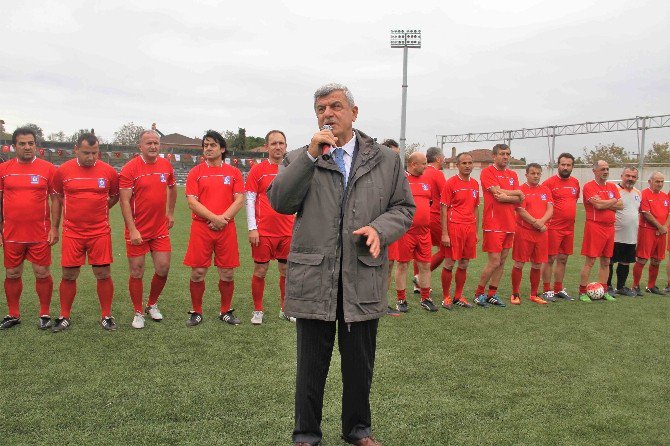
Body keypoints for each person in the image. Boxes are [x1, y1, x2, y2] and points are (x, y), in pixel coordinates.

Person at [268, 83, 414, 446]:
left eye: (335, 106)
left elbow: (403, 208)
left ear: (354, 112)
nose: (327, 113)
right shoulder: (301, 157)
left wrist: (381, 228)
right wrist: (309, 158)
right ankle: (305, 435)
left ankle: (358, 431)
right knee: (310, 366)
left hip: (361, 275)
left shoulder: (386, 159)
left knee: (359, 366)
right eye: (320, 108)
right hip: (314, 274)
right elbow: (280, 202)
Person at [51, 133, 119, 332]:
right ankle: (64, 315)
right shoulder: (63, 171)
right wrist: (54, 228)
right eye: (86, 153)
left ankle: (106, 315)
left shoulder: (108, 172)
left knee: (103, 273)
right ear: (76, 150)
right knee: (69, 274)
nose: (91, 157)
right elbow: (56, 200)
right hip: (72, 232)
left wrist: (98, 209)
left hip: (99, 232)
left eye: (95, 153)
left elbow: (114, 197)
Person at [183, 130, 244, 327]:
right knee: (198, 272)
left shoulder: (233, 172)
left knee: (227, 273)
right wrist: (214, 218)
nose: (208, 149)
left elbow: (239, 199)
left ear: (222, 149)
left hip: (226, 228)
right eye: (205, 145)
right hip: (202, 227)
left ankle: (225, 310)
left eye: (212, 145)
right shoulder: (195, 172)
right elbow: (192, 202)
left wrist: (222, 220)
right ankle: (196, 311)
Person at [0, 127, 58, 330]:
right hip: (11, 233)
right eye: (22, 143)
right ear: (14, 145)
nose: (27, 147)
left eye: (31, 143)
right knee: (13, 273)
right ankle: (13, 314)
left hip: (40, 232)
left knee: (42, 273)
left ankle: (44, 313)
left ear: (36, 145)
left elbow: (55, 200)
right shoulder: (4, 169)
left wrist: (54, 228)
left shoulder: (48, 169)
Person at [119, 130, 176, 329]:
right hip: (138, 230)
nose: (153, 146)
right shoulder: (130, 169)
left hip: (159, 228)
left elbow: (172, 187)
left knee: (163, 268)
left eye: (156, 143)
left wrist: (170, 213)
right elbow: (124, 201)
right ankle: (137, 312)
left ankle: (152, 304)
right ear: (140, 147)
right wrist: (132, 229)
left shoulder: (166, 165)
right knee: (137, 272)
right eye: (149, 143)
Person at [245, 130, 295, 324]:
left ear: (286, 146)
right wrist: (252, 227)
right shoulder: (258, 170)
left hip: (287, 231)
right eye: (273, 143)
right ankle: (258, 310)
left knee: (286, 271)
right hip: (263, 231)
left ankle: (286, 309)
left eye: (281, 143)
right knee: (260, 271)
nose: (278, 147)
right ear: (267, 147)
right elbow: (250, 199)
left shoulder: (292, 169)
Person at [474, 144, 524, 307]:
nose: (505, 157)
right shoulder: (487, 172)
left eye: (508, 154)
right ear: (494, 156)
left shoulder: (512, 174)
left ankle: (492, 294)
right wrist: (515, 194)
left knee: (502, 261)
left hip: (510, 223)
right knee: (494, 261)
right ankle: (479, 293)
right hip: (494, 223)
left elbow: (519, 198)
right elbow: (497, 194)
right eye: (502, 154)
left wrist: (509, 195)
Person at [394, 152, 438, 312]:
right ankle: (401, 299)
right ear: (413, 164)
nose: (426, 166)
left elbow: (429, 202)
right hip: (407, 232)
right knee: (403, 265)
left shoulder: (427, 181)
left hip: (424, 232)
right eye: (424, 164)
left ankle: (426, 298)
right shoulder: (402, 181)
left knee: (425, 265)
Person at [578, 160, 622, 302]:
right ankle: (582, 291)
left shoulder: (612, 187)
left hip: (610, 227)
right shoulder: (589, 186)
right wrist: (612, 201)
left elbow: (621, 205)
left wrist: (606, 202)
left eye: (607, 169)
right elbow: (597, 205)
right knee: (590, 261)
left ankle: (603, 290)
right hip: (595, 226)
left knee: (606, 261)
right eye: (602, 169)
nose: (606, 171)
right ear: (595, 171)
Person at [439, 152, 478, 309]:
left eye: (470, 163)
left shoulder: (475, 184)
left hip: (469, 228)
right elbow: (443, 209)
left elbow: (475, 207)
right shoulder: (451, 183)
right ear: (457, 165)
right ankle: (446, 297)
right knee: (449, 263)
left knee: (464, 263)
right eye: (464, 163)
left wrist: (475, 231)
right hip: (454, 226)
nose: (467, 166)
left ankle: (458, 296)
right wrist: (444, 233)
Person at [510, 163, 553, 305]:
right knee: (519, 263)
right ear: (526, 174)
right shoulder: (520, 190)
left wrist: (542, 222)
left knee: (537, 264)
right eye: (533, 173)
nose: (535, 176)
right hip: (524, 232)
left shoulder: (545, 190)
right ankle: (515, 294)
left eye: (538, 173)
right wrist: (536, 223)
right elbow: (520, 210)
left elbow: (550, 209)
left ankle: (534, 294)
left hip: (541, 233)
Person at [540, 153, 580, 301]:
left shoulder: (575, 183)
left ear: (572, 167)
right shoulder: (549, 183)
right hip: (553, 227)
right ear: (558, 165)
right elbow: (543, 205)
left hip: (569, 228)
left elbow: (574, 201)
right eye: (563, 164)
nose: (565, 167)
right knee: (550, 259)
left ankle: (558, 289)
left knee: (563, 259)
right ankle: (546, 290)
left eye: (568, 165)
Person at [411, 146, 446, 293]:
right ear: (438, 159)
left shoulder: (422, 173)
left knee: (419, 250)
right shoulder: (437, 174)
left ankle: (417, 284)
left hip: (420, 216)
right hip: (435, 216)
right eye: (443, 158)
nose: (444, 161)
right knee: (445, 250)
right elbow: (447, 196)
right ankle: (419, 277)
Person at [605, 167, 641, 296]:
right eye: (628, 176)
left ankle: (621, 287)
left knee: (625, 261)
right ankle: (607, 286)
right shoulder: (614, 190)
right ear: (622, 175)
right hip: (615, 234)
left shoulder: (638, 193)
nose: (630, 179)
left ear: (636, 178)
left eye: (633, 176)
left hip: (631, 235)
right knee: (610, 261)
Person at [632, 172, 668, 295]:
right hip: (647, 231)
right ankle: (635, 286)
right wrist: (659, 227)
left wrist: (664, 227)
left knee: (657, 260)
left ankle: (651, 286)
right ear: (650, 181)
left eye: (662, 181)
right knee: (642, 259)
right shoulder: (644, 194)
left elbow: (669, 213)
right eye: (657, 181)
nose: (660, 184)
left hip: (662, 232)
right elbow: (646, 213)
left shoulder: (665, 196)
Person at [381, 139, 402, 317]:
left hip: (390, 229)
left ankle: (382, 302)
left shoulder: (398, 176)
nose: (396, 158)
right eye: (393, 155)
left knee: (388, 265)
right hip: (371, 229)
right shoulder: (374, 173)